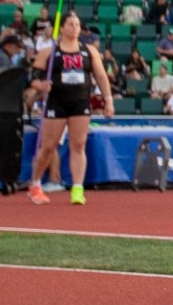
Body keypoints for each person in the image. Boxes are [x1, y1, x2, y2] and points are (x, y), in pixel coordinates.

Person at [26, 12, 113, 205]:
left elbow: (101, 76)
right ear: (62, 27)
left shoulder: (89, 51)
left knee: (78, 145)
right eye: (71, 24)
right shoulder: (49, 52)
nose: (75, 28)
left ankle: (77, 188)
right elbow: (33, 77)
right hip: (56, 102)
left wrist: (108, 100)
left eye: (77, 25)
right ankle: (35, 183)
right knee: (48, 146)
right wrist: (40, 86)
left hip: (80, 101)